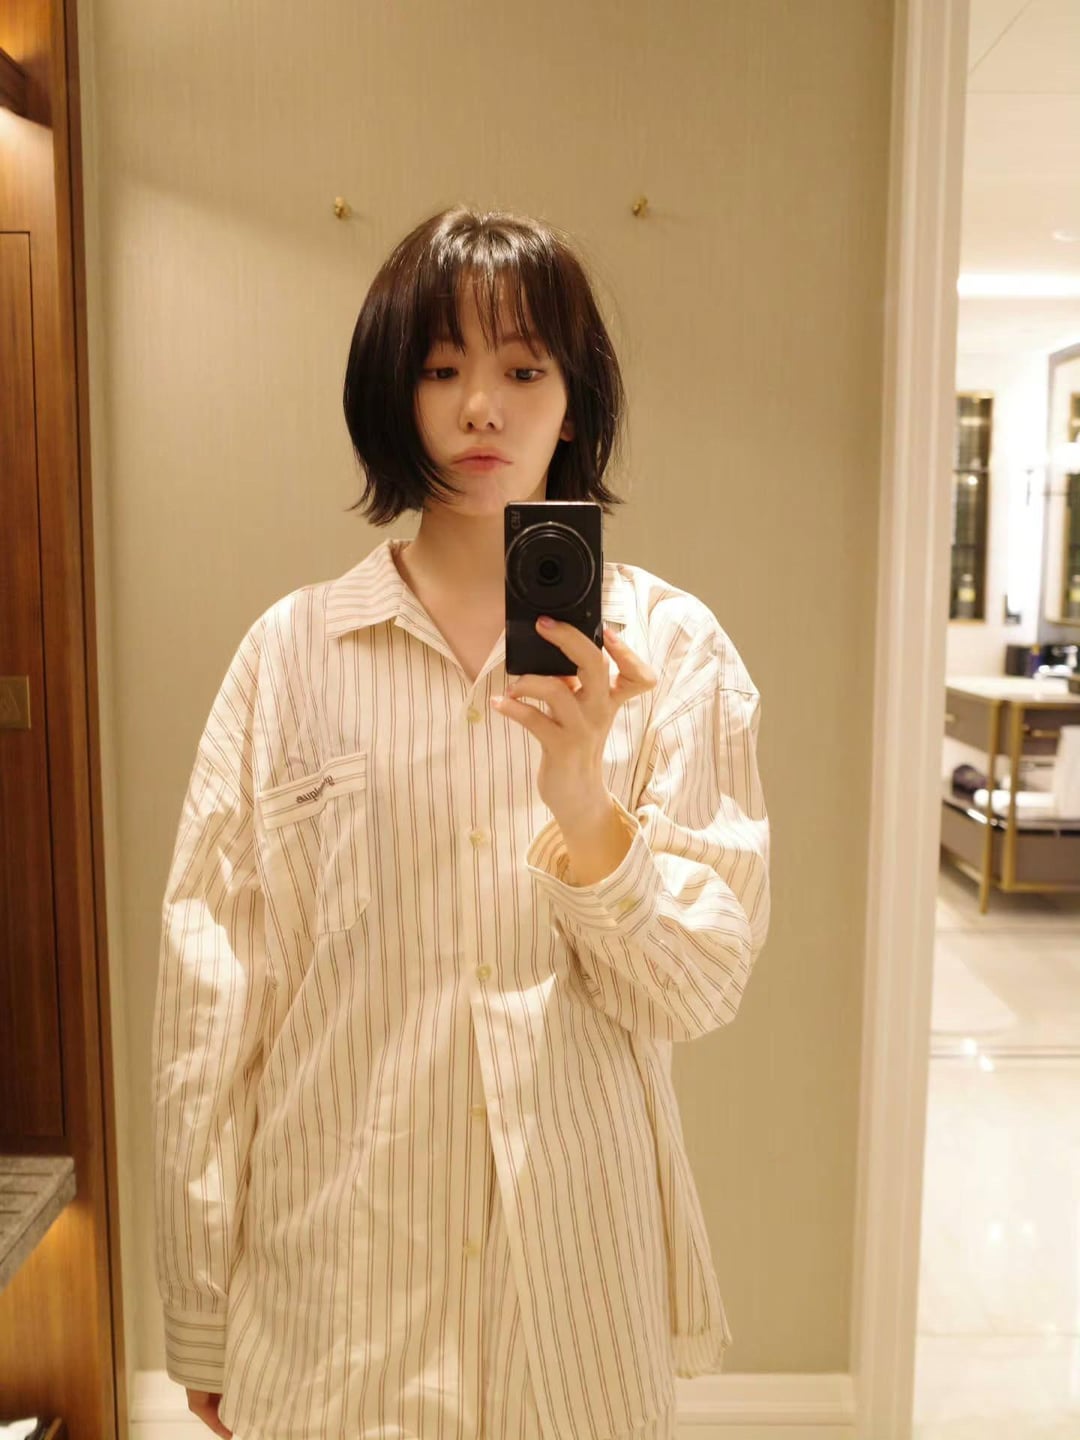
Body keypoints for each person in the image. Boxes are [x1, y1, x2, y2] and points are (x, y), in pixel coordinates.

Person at [152, 205, 771, 1440]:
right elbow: (213, 1002)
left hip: (574, 1291)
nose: (481, 408)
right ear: (395, 394)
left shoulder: (674, 654)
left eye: (523, 370)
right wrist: (201, 1302)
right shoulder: (292, 657)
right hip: (338, 1292)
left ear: (574, 401)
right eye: (442, 369)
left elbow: (700, 986)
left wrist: (584, 804)